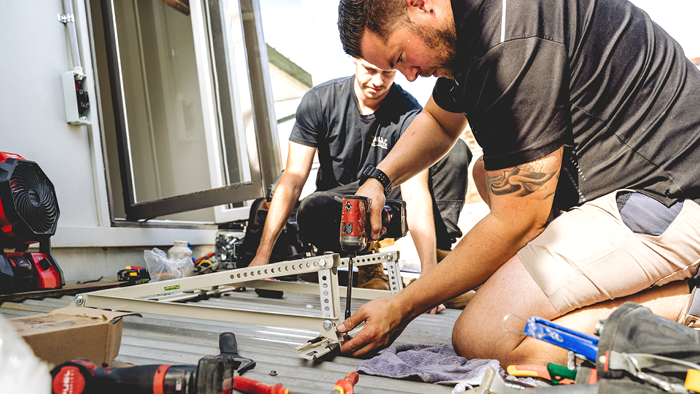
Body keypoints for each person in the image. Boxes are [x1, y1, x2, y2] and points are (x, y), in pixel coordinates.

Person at [335, 0, 700, 367]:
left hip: (670, 196)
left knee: (487, 334)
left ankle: (689, 301)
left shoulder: (510, 36)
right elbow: (441, 122)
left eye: (400, 57)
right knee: (486, 174)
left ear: (420, 5)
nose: (409, 76)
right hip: (627, 183)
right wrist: (378, 180)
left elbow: (519, 221)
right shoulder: (465, 29)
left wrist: (403, 305)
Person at [247, 57, 472, 313]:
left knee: (454, 153)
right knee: (312, 208)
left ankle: (441, 269)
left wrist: (429, 280)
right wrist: (262, 256)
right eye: (370, 70)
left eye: (386, 73)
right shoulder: (319, 101)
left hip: (388, 192)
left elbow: (416, 192)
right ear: (355, 59)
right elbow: (293, 178)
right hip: (339, 204)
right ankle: (366, 263)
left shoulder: (408, 111)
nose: (377, 81)